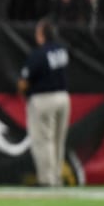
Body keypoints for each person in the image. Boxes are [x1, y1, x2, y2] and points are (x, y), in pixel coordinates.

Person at [17, 19, 70, 187]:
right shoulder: (62, 51)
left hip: (43, 99)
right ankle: (56, 177)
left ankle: (47, 180)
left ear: (42, 35)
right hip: (63, 97)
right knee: (58, 140)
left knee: (43, 140)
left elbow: (24, 82)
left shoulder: (38, 54)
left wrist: (21, 91)